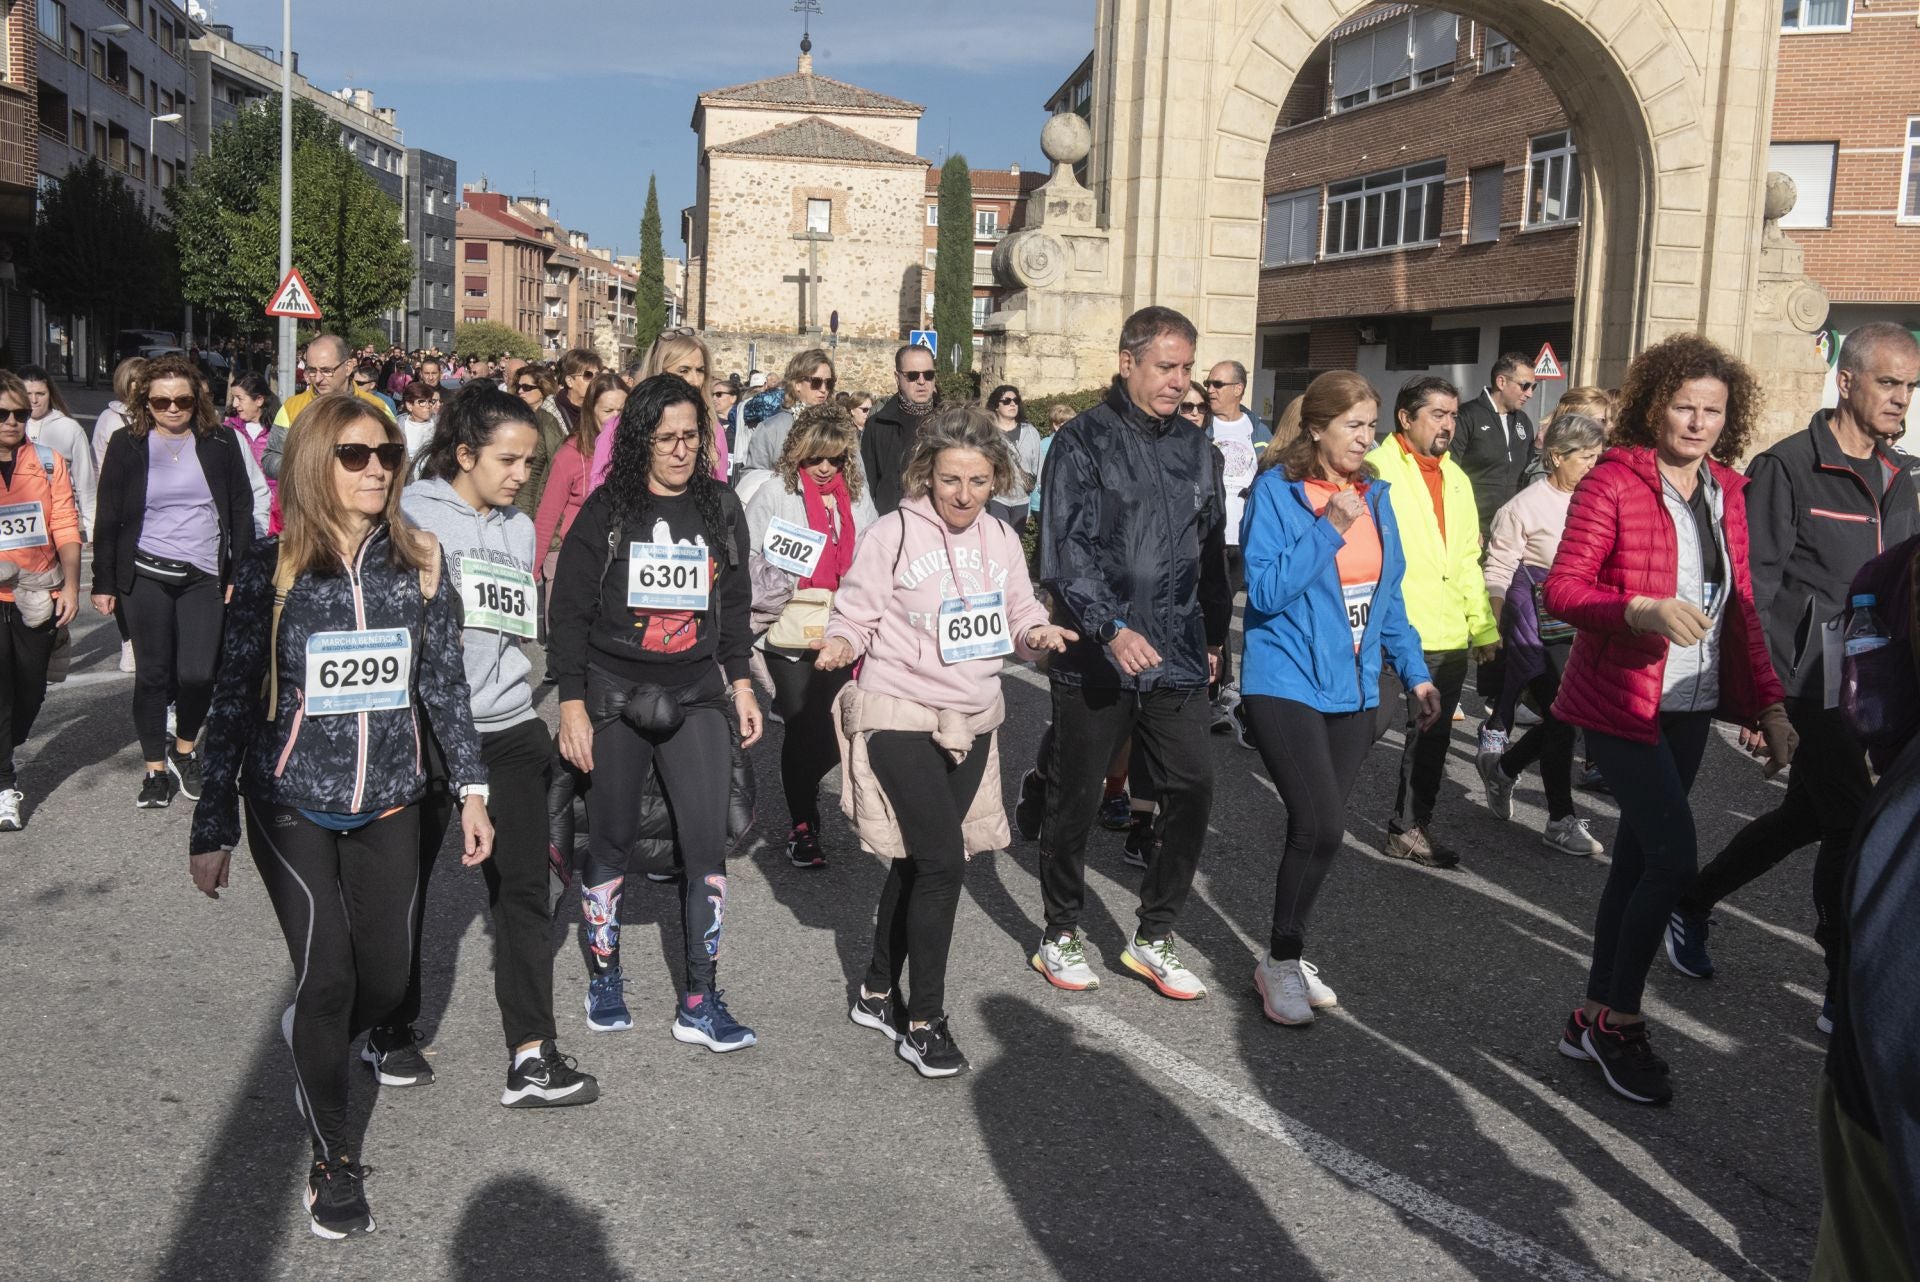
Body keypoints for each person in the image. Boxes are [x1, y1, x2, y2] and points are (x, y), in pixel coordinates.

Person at [187, 394, 493, 1240]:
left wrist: (471, 789)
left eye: (388, 455)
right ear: (316, 462)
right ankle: (332, 1159)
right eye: (355, 455)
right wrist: (210, 825)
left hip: (393, 797)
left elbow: (441, 686)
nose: (375, 470)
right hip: (292, 805)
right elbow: (233, 695)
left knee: (387, 983)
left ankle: (318, 1033)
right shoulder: (272, 567)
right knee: (326, 979)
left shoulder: (422, 560)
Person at [1544, 333, 1794, 1106]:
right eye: (1683, 406)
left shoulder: (1729, 489)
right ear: (1654, 405)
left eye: (1712, 410)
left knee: (1637, 861)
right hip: (1620, 700)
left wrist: (1770, 704)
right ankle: (1620, 1020)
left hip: (1691, 705)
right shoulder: (1612, 483)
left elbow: (1741, 609)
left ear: (1730, 416)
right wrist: (1639, 608)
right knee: (1674, 859)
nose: (1696, 422)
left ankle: (1588, 1017)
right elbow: (1563, 591)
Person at [1666, 323, 1920, 1009]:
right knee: (1850, 820)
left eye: (1910, 388)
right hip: (1808, 680)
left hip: (1874, 682)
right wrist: (1762, 698)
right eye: (1889, 383)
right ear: (1847, 381)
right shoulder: (1786, 467)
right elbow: (1753, 589)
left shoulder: (1904, 476)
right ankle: (1843, 990)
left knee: (1807, 816)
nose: (1902, 400)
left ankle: (1689, 898)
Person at [820, 406, 1070, 1076]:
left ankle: (875, 989)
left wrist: (1036, 635)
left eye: (980, 481)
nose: (964, 494)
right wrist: (842, 640)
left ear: (997, 481)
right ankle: (923, 1020)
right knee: (943, 863)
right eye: (952, 479)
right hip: (898, 712)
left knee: (916, 861)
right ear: (927, 474)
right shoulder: (894, 533)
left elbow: (1019, 609)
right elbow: (857, 608)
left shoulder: (1000, 540)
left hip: (974, 715)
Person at [394, 384, 599, 1107]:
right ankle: (390, 1027)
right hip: (426, 726)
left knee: (522, 889)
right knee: (403, 889)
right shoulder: (414, 516)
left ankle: (532, 1056)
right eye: (508, 460)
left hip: (509, 723)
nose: (520, 475)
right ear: (463, 453)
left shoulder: (516, 529)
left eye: (531, 462)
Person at [548, 374, 765, 1049]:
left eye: (691, 437)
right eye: (667, 438)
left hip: (695, 692)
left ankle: (701, 997)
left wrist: (743, 683)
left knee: (706, 846)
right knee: (610, 839)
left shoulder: (722, 508)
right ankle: (605, 976)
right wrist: (573, 706)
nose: (679, 450)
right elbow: (569, 616)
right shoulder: (608, 510)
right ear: (641, 439)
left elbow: (731, 610)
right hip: (614, 693)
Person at [1031, 306, 1229, 1000]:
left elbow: (1210, 556)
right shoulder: (1080, 442)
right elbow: (1064, 550)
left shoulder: (1199, 450)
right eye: (1165, 367)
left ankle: (1154, 935)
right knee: (1078, 798)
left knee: (1193, 785)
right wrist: (1111, 627)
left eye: (1186, 369)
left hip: (1175, 651)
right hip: (1098, 652)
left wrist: (1212, 638)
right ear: (1128, 362)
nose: (1178, 382)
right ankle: (1060, 929)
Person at [1239, 371, 1438, 1024]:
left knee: (1321, 834)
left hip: (1353, 686)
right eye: (1353, 425)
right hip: (1284, 679)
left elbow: (1389, 599)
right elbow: (1264, 593)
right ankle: (1282, 958)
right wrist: (1327, 527)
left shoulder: (1376, 497)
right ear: (1317, 427)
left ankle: (1284, 955)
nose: (1365, 437)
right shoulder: (1278, 492)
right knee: (1321, 823)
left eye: (1371, 426)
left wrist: (1415, 673)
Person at [92, 355, 255, 809]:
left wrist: (238, 572)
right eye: (161, 401)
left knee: (199, 672)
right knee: (153, 675)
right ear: (145, 400)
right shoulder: (127, 444)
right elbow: (107, 516)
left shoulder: (220, 442)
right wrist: (102, 581)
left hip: (203, 573)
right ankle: (154, 771)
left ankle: (185, 749)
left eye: (182, 399)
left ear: (196, 398)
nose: (172, 408)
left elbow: (241, 510)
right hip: (144, 573)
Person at [1366, 376, 1497, 868]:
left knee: (1431, 742)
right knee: (1363, 728)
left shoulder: (1457, 478)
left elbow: (1466, 558)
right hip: (1384, 628)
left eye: (1452, 414)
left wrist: (1482, 627)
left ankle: (1410, 829)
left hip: (1444, 633)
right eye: (1437, 414)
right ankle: (1313, 808)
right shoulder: (1376, 468)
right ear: (1406, 417)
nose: (1448, 424)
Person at [744, 402, 878, 869]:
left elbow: (875, 554)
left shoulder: (857, 499)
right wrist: (784, 575)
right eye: (815, 458)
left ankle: (806, 797)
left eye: (835, 459)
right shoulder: (775, 494)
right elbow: (748, 553)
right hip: (790, 628)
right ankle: (803, 823)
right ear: (797, 454)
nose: (824, 468)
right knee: (803, 721)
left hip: (842, 627)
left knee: (836, 728)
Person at [1476, 412, 1609, 857]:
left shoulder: (1601, 499)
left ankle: (1504, 768)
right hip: (1541, 628)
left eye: (1598, 456)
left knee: (1565, 719)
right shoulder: (1524, 507)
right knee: (1563, 717)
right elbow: (1497, 570)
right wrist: (1491, 629)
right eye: (1585, 457)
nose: (1594, 465)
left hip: (1590, 625)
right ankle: (1560, 818)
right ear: (1556, 456)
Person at [0, 372, 82, 832]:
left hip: (38, 592)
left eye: (19, 413)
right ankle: (4, 784)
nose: (12, 421)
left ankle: (4, 749)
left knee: (30, 691)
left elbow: (67, 528)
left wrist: (71, 586)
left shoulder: (48, 463)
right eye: (2, 414)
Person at [593, 332, 725, 487]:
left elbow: (720, 495)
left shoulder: (714, 429)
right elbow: (599, 492)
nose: (695, 381)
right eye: (684, 370)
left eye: (700, 370)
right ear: (659, 371)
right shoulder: (618, 428)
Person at [534, 372, 626, 586]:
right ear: (591, 411)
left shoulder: (634, 453)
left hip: (615, 563)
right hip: (569, 559)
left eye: (622, 411)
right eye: (608, 411)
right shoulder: (571, 453)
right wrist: (533, 571)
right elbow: (548, 515)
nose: (616, 418)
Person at [264, 335, 393, 479]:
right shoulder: (292, 408)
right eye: (312, 370)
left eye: (326, 370)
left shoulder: (378, 408)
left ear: (348, 367)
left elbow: (397, 458)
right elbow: (271, 457)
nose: (318, 379)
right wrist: (305, 469)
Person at [1452, 353, 1539, 538]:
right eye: (1525, 386)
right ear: (1501, 382)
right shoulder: (1467, 416)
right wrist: (1466, 525)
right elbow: (1450, 473)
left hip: (1512, 532)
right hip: (1474, 531)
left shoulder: (1523, 421)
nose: (1529, 394)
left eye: (1534, 387)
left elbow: (1527, 474)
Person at [521, 348, 603, 517]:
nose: (595, 381)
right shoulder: (546, 417)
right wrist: (525, 520)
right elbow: (533, 472)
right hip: (554, 513)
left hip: (592, 511)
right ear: (570, 381)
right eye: (588, 375)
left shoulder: (603, 415)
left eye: (598, 375)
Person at [862, 344, 941, 515]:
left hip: (937, 525)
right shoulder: (878, 424)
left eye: (928, 375)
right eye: (912, 376)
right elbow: (866, 485)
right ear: (898, 378)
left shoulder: (949, 422)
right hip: (890, 524)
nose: (922, 382)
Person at [20, 365, 97, 536]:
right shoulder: (8, 426)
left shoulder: (70, 428)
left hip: (61, 520)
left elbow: (85, 483)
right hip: (19, 520)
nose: (34, 400)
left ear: (50, 394)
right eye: (27, 394)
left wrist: (91, 528)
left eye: (40, 394)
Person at [737, 348, 835, 478]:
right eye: (816, 382)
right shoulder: (771, 429)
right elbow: (752, 478)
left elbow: (858, 482)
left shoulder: (840, 426)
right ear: (797, 384)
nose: (823, 389)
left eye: (829, 383)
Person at [225, 373, 282, 535]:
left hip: (275, 513)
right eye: (233, 398)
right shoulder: (228, 430)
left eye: (240, 398)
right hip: (240, 508)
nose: (235, 404)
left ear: (259, 400)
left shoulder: (279, 430)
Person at [983, 385, 1041, 533]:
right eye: (1007, 401)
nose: (1013, 404)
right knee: (1000, 539)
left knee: (1015, 543)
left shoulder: (1031, 432)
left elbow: (1037, 465)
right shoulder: (988, 432)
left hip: (1022, 499)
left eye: (1016, 400)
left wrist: (1031, 504)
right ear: (996, 405)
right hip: (997, 498)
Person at [92, 356, 148, 463]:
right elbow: (97, 460)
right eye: (138, 381)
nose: (143, 386)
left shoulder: (156, 413)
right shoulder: (109, 417)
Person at [396, 380, 439, 476]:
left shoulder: (440, 425)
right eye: (421, 402)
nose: (427, 406)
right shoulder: (398, 428)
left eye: (429, 401)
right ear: (409, 405)